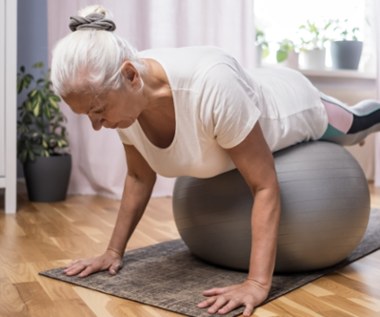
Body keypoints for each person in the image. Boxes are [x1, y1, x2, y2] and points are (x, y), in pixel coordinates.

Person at [50, 5, 380, 316]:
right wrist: (113, 252)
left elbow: (264, 185)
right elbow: (139, 176)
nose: (96, 126)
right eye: (87, 116)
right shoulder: (123, 95)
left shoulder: (209, 85)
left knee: (356, 125)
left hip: (293, 104)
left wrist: (257, 284)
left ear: (131, 76)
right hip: (242, 95)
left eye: (98, 112)